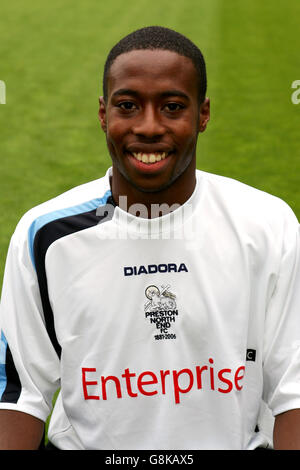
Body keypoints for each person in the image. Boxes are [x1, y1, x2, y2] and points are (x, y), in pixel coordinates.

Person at [0, 26, 300, 451]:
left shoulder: (268, 226)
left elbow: (294, 393)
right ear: (104, 114)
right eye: (128, 105)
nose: (149, 127)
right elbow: (18, 400)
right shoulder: (45, 236)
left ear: (203, 114)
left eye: (173, 106)